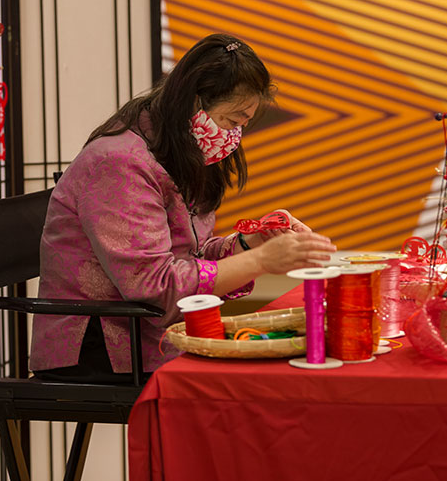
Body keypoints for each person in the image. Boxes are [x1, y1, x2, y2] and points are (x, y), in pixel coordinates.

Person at [29, 33, 336, 380]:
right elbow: (157, 286)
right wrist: (260, 261)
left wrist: (250, 244)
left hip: (151, 332)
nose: (234, 138)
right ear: (193, 103)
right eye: (232, 121)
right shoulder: (118, 164)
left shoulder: (174, 148)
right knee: (264, 383)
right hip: (105, 344)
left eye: (242, 126)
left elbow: (191, 254)